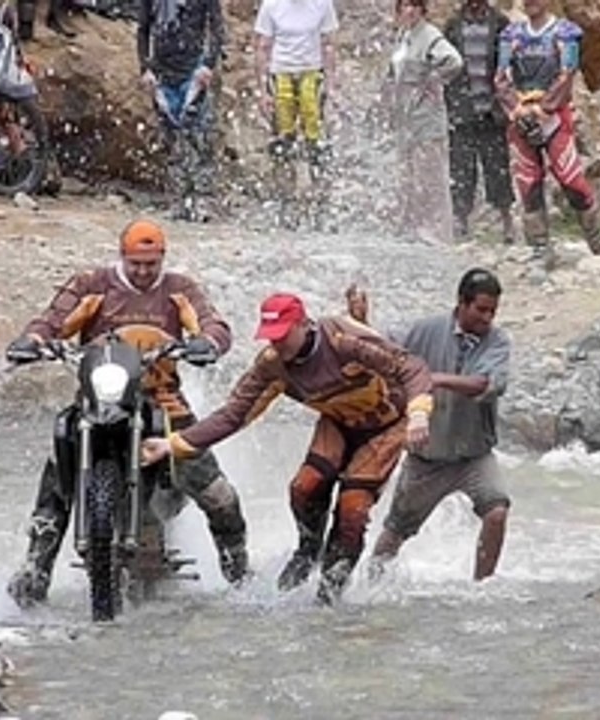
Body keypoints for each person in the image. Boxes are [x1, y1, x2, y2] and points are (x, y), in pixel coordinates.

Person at [6, 219, 250, 607]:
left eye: (150, 263)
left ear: (162, 259)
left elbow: (212, 323)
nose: (142, 270)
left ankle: (239, 572)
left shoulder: (180, 290)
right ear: (122, 256)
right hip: (99, 400)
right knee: (58, 468)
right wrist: (34, 340)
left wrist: (208, 343)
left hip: (163, 400)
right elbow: (53, 319)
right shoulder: (92, 284)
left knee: (218, 493)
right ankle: (35, 569)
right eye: (135, 262)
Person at [141, 292, 435, 604]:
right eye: (270, 338)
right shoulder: (272, 365)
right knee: (304, 487)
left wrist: (419, 413)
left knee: (352, 507)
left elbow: (411, 367)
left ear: (303, 325)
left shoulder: (342, 340)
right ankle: (308, 549)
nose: (277, 345)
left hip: (388, 424)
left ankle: (330, 590)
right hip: (338, 421)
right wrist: (171, 445)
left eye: (282, 337)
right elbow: (233, 415)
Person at [371, 268, 511, 580]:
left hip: (475, 455)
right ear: (461, 303)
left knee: (497, 511)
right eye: (481, 309)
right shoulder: (425, 330)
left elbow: (484, 383)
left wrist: (433, 379)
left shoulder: (498, 341)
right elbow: (385, 349)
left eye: (492, 311)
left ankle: (481, 585)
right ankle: (371, 584)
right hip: (426, 458)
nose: (487, 318)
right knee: (395, 531)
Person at [494, 0, 600, 261]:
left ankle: (596, 239)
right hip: (521, 114)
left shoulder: (565, 33)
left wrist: (545, 109)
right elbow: (501, 76)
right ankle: (540, 246)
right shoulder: (512, 35)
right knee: (527, 182)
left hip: (554, 115)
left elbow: (567, 73)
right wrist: (516, 109)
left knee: (570, 178)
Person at [137, 0, 224, 222]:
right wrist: (145, 68)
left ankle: (203, 199)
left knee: (200, 136)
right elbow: (143, 28)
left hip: (194, 70)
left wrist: (208, 64)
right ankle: (178, 199)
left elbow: (216, 28)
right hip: (162, 73)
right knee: (170, 138)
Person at [384, 0, 463, 245]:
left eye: (413, 6)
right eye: (404, 6)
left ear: (422, 10)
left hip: (426, 117)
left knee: (431, 176)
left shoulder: (429, 36)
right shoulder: (403, 36)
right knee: (409, 176)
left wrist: (433, 79)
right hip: (405, 118)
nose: (408, 11)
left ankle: (437, 232)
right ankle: (412, 227)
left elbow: (454, 61)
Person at [253, 0, 338, 220]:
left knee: (316, 138)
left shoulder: (322, 4)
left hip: (311, 71)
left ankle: (321, 202)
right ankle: (286, 200)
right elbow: (262, 47)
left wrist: (331, 85)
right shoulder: (271, 5)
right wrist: (263, 91)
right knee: (283, 140)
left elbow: (328, 44)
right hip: (281, 72)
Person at [443, 0, 515, 243]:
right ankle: (461, 222)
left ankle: (507, 221)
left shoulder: (501, 24)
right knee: (461, 170)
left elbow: (509, 62)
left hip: (492, 111)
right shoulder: (453, 26)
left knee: (498, 167)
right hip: (462, 112)